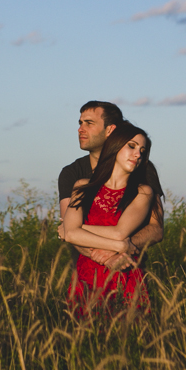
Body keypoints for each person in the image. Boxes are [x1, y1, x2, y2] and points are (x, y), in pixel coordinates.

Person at [62, 121, 156, 315]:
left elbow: (120, 232)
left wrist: (76, 228)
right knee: (86, 338)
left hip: (124, 272)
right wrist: (118, 247)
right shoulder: (82, 186)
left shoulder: (143, 192)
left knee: (128, 337)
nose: (138, 154)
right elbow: (71, 235)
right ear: (115, 146)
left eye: (142, 150)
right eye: (131, 146)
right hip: (87, 277)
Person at [58, 101, 164, 271]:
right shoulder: (73, 174)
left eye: (89, 123)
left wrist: (119, 250)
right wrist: (105, 258)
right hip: (86, 273)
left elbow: (156, 229)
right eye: (80, 123)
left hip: (128, 267)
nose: (80, 129)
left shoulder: (143, 169)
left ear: (110, 130)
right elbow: (70, 234)